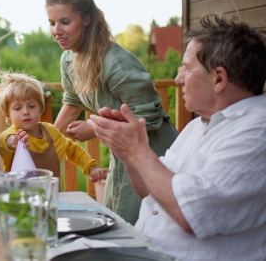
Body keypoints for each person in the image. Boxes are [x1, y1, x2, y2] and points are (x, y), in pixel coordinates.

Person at [87, 16, 266, 261]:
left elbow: (193, 212)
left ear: (219, 79)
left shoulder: (257, 130)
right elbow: (149, 191)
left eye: (187, 68)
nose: (178, 78)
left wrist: (138, 150)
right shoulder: (197, 127)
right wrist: (127, 151)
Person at [46, 0, 178, 224]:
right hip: (123, 151)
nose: (57, 30)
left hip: (154, 152)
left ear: (86, 19)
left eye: (65, 22)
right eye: (52, 23)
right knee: (117, 217)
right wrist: (49, 138)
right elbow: (72, 101)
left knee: (143, 222)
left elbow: (148, 117)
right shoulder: (68, 59)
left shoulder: (116, 62)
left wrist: (94, 128)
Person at [0, 72, 107, 182]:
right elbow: (3, 141)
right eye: (18, 108)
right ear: (8, 114)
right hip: (19, 199)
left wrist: (92, 168)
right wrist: (15, 141)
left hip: (53, 197)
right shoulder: (10, 136)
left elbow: (73, 149)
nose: (25, 112)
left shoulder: (51, 132)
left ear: (40, 108)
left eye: (31, 106)